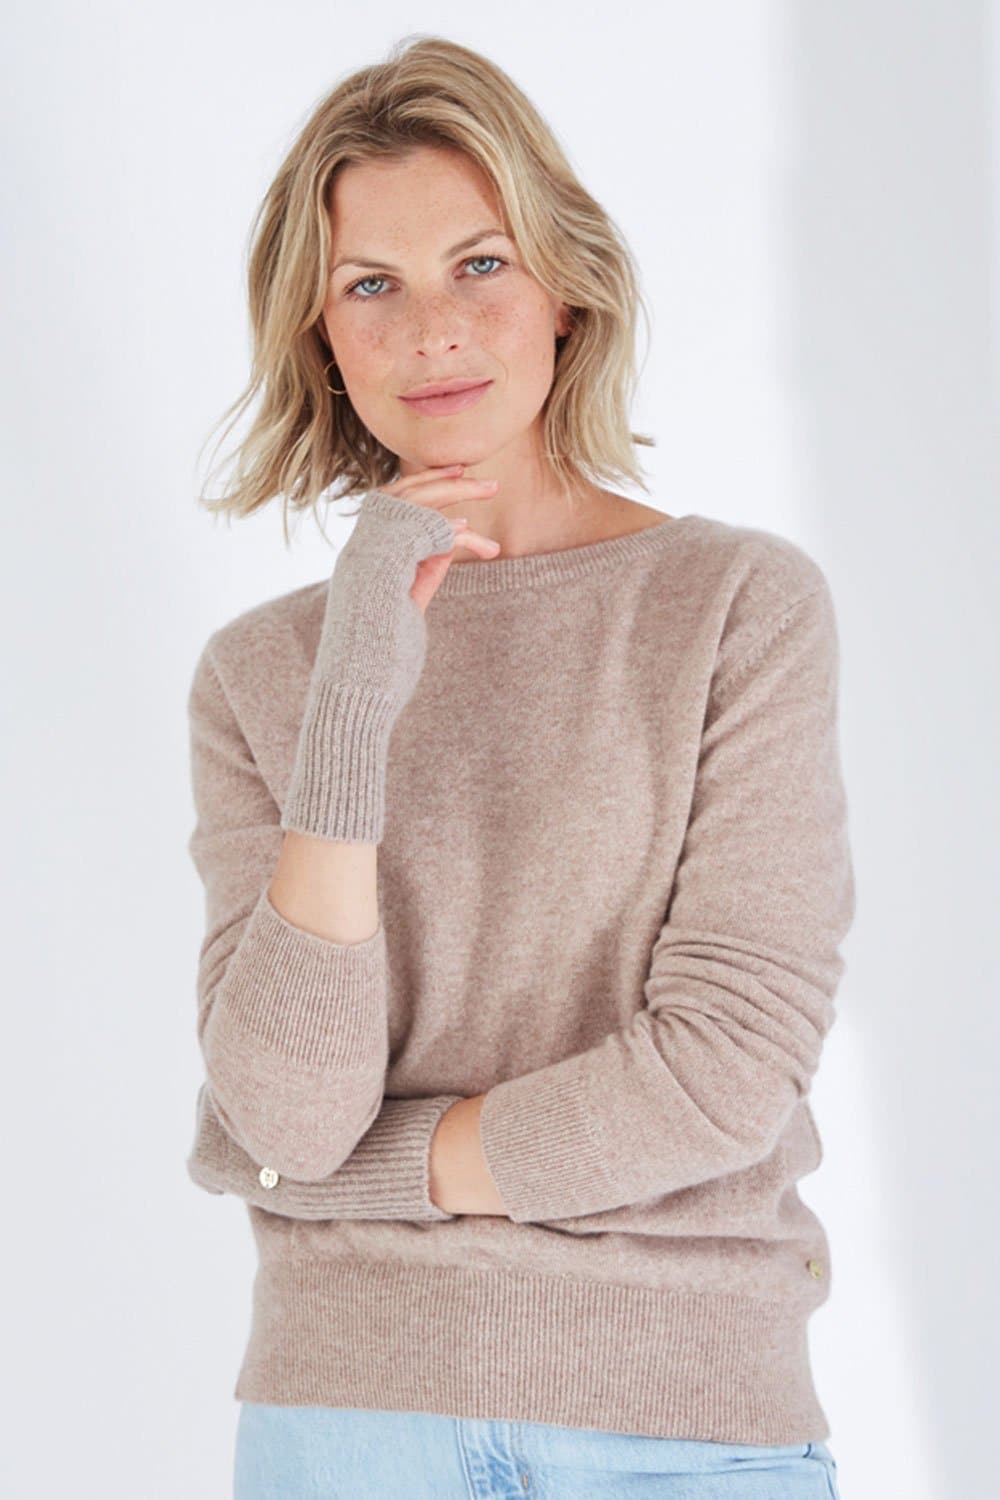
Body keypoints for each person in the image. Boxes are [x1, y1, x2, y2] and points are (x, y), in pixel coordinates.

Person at [184, 33, 850, 1500]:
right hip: (344, 1424)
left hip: (681, 1425)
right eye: (372, 285)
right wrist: (355, 689)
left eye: (480, 265)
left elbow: (723, 1070)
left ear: (564, 290)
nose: (435, 329)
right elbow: (285, 1115)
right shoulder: (262, 673)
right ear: (321, 336)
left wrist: (367, 1177)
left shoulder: (735, 609)